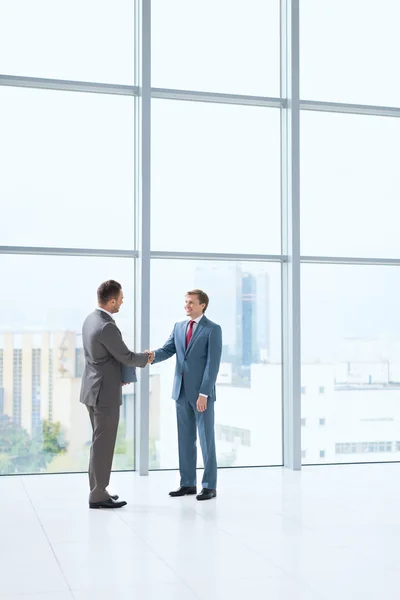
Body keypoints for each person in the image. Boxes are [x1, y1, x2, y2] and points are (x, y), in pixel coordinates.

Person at [80, 280, 150, 509]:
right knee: (104, 443)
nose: (122, 302)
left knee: (99, 442)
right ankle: (98, 494)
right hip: (104, 393)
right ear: (111, 301)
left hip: (92, 389)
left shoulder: (91, 319)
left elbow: (103, 357)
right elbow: (125, 356)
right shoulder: (106, 326)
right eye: (120, 299)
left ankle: (98, 489)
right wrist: (146, 358)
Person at [147, 289, 222, 500]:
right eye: (186, 302)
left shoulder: (212, 329)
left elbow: (212, 365)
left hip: (201, 395)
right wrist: (151, 356)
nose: (186, 306)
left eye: (191, 303)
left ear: (202, 305)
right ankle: (187, 483)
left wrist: (204, 393)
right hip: (180, 392)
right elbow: (168, 350)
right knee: (185, 440)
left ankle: (209, 486)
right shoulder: (179, 327)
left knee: (207, 440)